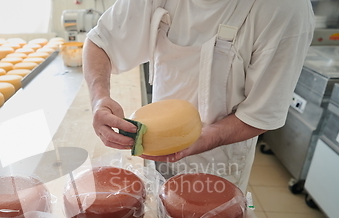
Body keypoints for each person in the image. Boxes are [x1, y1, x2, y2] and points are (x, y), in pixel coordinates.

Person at [83, 0, 314, 192]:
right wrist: (99, 97)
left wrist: (202, 138)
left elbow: (260, 114)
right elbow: (100, 43)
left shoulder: (285, 10)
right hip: (156, 147)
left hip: (218, 167)